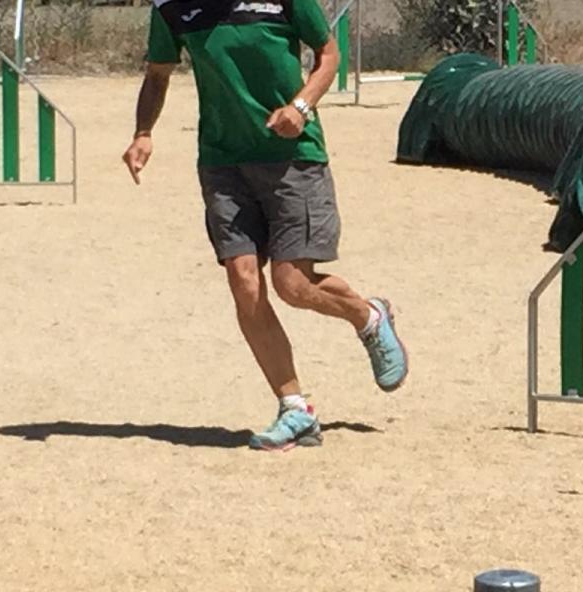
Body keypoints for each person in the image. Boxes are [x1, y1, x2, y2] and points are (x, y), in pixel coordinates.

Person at [120, 0, 409, 451]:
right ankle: (294, 408)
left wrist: (301, 106)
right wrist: (143, 132)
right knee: (244, 281)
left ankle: (367, 317)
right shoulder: (171, 8)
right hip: (222, 162)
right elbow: (158, 73)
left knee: (292, 284)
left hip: (293, 155)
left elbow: (329, 54)